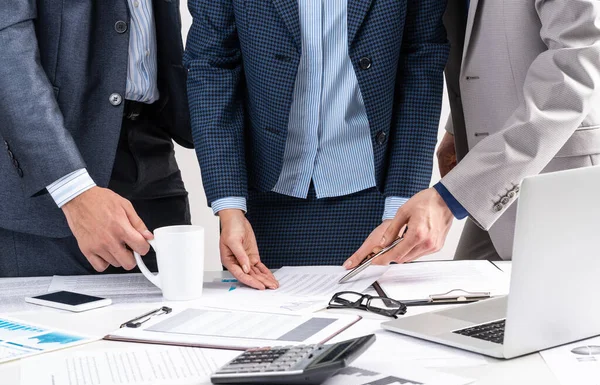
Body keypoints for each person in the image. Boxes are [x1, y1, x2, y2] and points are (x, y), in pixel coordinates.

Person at [185, 0, 449, 289]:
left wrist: (401, 204)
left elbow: (423, 63)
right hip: (261, 200)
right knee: (262, 326)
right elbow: (210, 66)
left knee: (377, 326)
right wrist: (229, 205)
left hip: (377, 191)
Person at [346, 0, 600, 265]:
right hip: (497, 184)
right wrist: (458, 130)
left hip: (559, 184)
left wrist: (451, 197)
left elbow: (573, 74)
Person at [0, 0, 193, 277]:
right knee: (58, 319)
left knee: (171, 316)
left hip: (154, 155)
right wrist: (72, 190)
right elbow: (6, 47)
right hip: (53, 176)